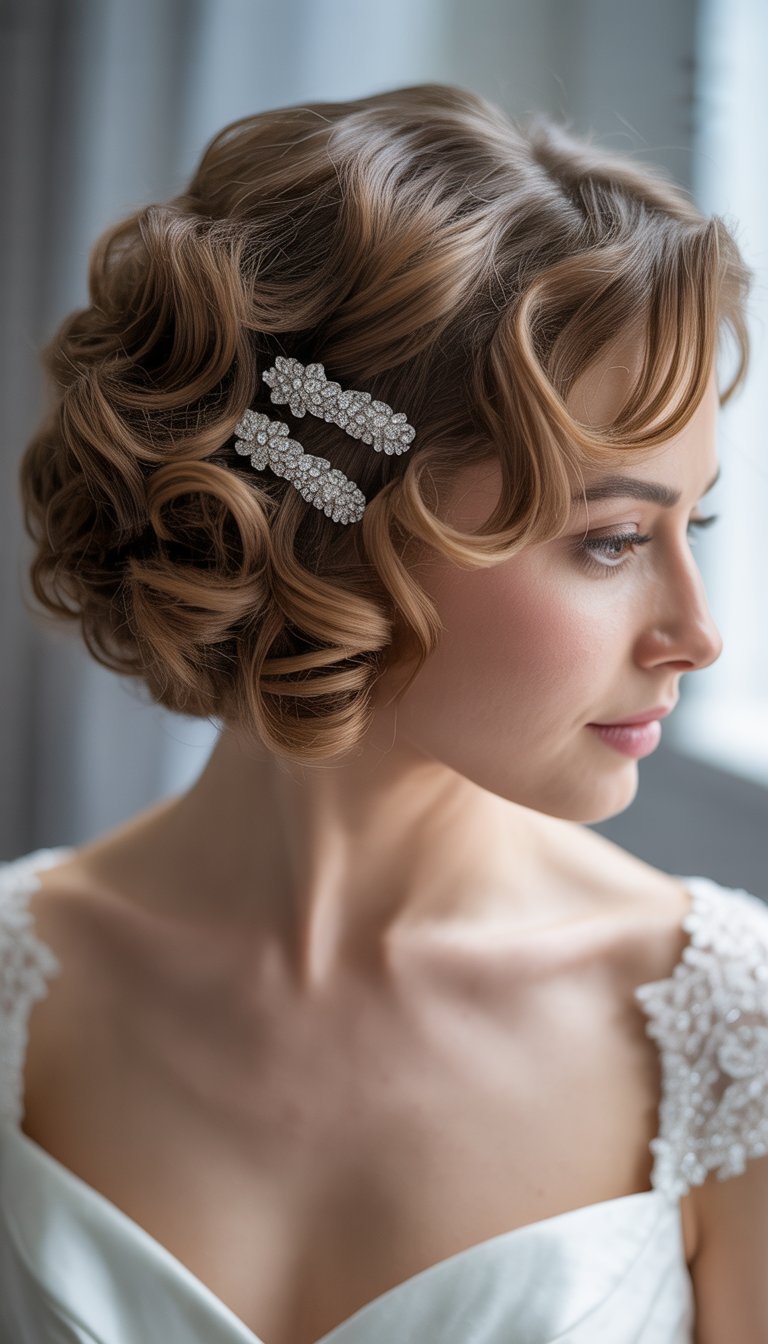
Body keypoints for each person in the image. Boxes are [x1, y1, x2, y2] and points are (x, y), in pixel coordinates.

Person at [1, 81, 766, 1344]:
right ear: (334, 525)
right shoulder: (31, 996)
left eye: (698, 523)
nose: (696, 632)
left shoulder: (727, 1034)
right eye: (615, 541)